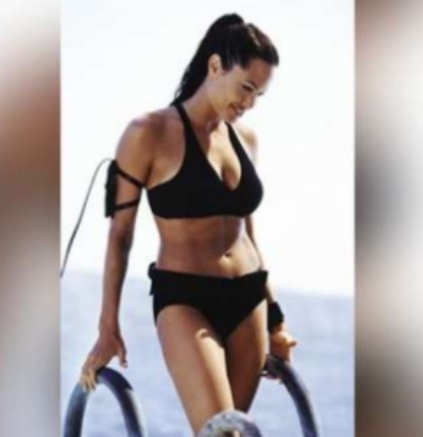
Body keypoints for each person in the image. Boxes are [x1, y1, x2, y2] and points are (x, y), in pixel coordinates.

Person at [78, 13, 298, 435]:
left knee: (231, 433)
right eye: (246, 87)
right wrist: (108, 328)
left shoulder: (246, 140)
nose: (250, 103)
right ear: (215, 66)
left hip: (248, 299)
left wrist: (277, 321)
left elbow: (249, 236)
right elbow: (120, 237)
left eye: (259, 94)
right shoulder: (148, 133)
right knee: (222, 432)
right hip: (185, 299)